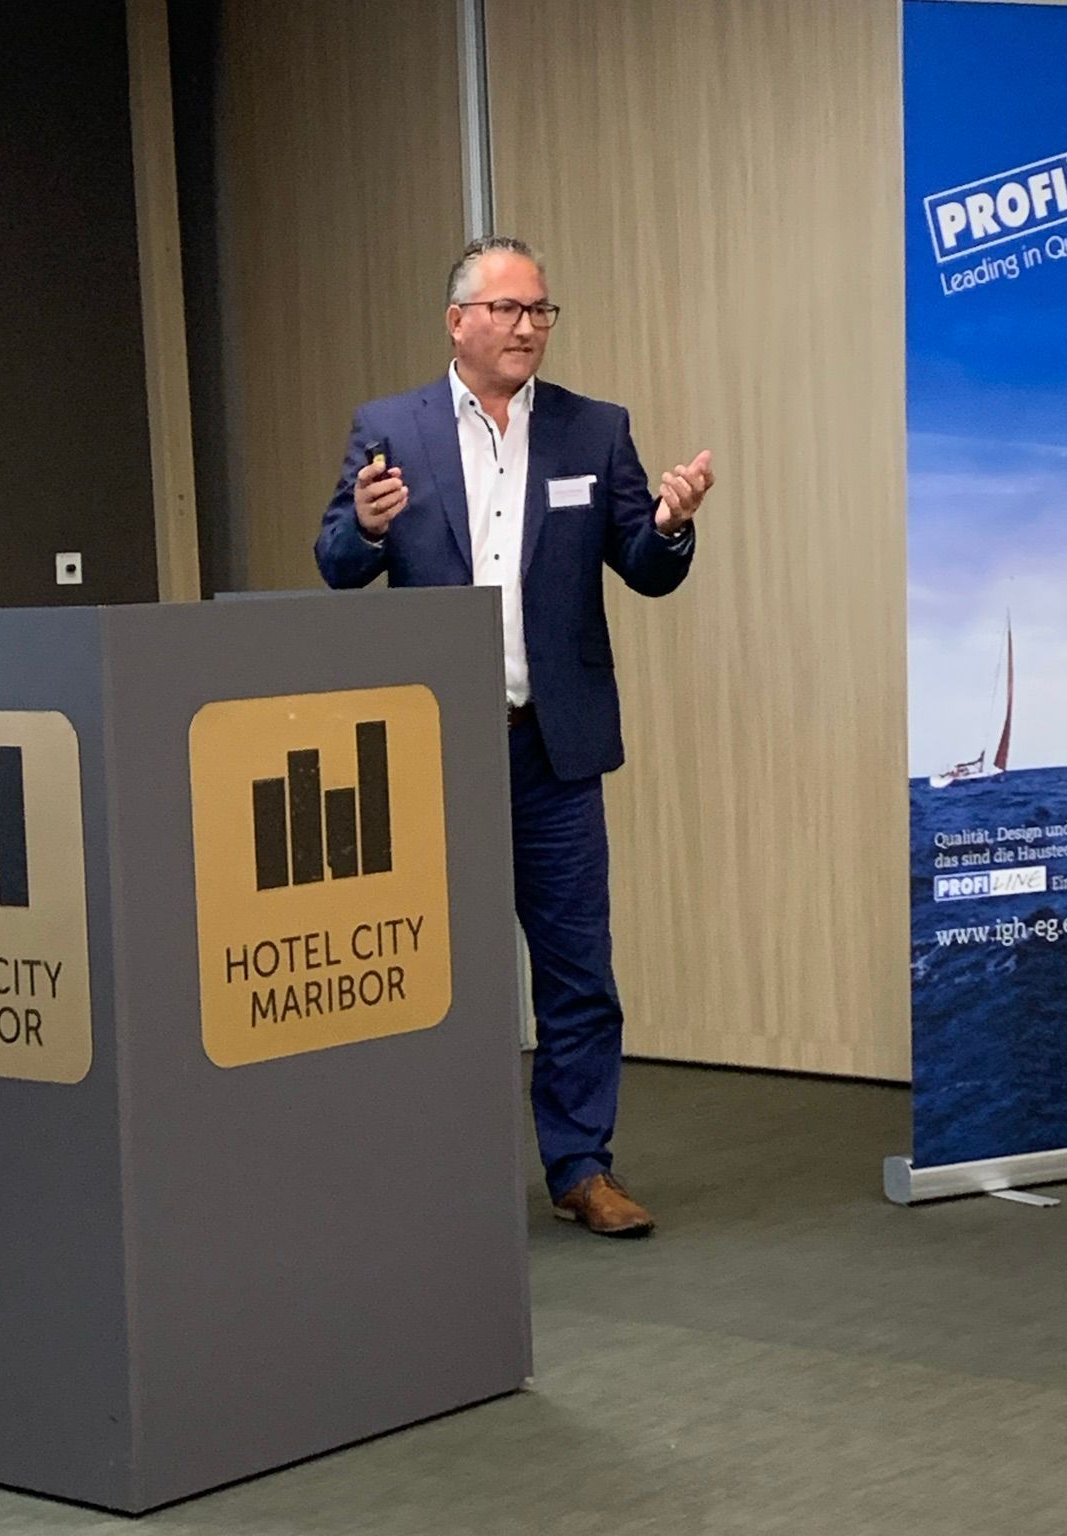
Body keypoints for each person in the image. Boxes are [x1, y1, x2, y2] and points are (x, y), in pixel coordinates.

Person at [315, 236, 713, 1237]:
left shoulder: (594, 429)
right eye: (506, 309)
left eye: (540, 310)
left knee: (578, 969)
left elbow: (644, 567)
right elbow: (335, 563)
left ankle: (582, 1168)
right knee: (434, 971)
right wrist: (365, 525)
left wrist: (670, 524)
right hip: (433, 751)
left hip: (553, 748)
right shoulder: (390, 428)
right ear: (457, 322)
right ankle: (436, 1174)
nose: (527, 326)